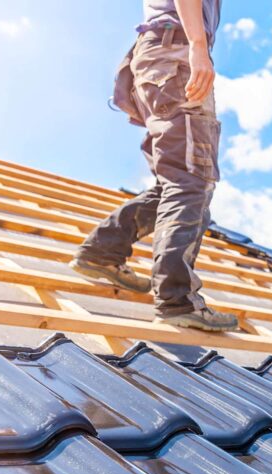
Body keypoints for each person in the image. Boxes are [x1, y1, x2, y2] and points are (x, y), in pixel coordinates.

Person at [69, 0, 238, 332]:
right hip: (175, 55)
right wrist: (198, 48)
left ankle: (103, 252)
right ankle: (178, 301)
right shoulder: (187, 43)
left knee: (176, 182)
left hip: (157, 60)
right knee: (191, 180)